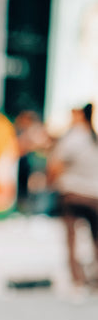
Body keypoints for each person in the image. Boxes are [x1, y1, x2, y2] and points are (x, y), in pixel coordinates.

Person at [47, 104, 98, 290]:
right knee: (96, 239)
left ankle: (77, 279)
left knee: (71, 239)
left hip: (73, 193)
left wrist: (50, 183)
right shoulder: (94, 138)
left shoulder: (72, 139)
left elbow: (55, 165)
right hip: (95, 195)